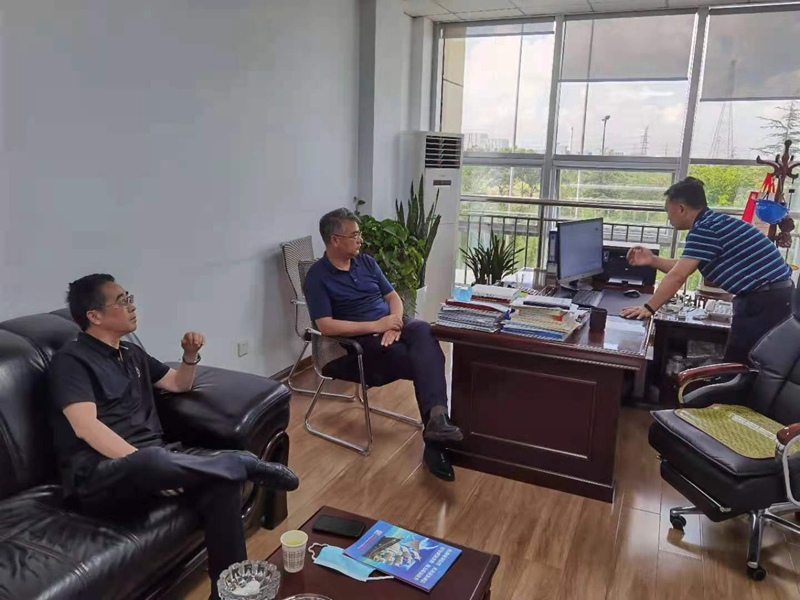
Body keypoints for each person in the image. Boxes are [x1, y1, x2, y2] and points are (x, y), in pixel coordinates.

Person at [48, 274, 300, 600]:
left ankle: (229, 592)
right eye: (123, 301)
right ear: (94, 316)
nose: (132, 306)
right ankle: (245, 464)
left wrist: (189, 355)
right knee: (154, 458)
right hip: (99, 475)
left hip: (155, 460)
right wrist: (149, 463)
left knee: (221, 484)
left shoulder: (131, 354)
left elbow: (179, 384)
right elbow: (85, 427)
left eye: (130, 297)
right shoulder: (71, 361)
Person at [303, 208, 463, 481]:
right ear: (335, 240)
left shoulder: (366, 262)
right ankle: (436, 439)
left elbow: (392, 296)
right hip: (362, 344)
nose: (360, 240)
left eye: (359, 234)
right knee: (425, 361)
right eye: (355, 235)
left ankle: (436, 422)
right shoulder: (317, 277)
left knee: (423, 330)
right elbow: (326, 326)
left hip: (391, 326)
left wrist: (394, 323)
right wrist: (377, 327)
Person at [621, 177, 794, 363]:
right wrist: (653, 260)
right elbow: (683, 267)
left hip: (765, 301)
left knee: (741, 366)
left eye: (668, 210)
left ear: (681, 208)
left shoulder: (704, 229)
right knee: (744, 364)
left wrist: (648, 308)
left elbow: (678, 276)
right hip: (775, 296)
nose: (668, 217)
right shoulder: (712, 222)